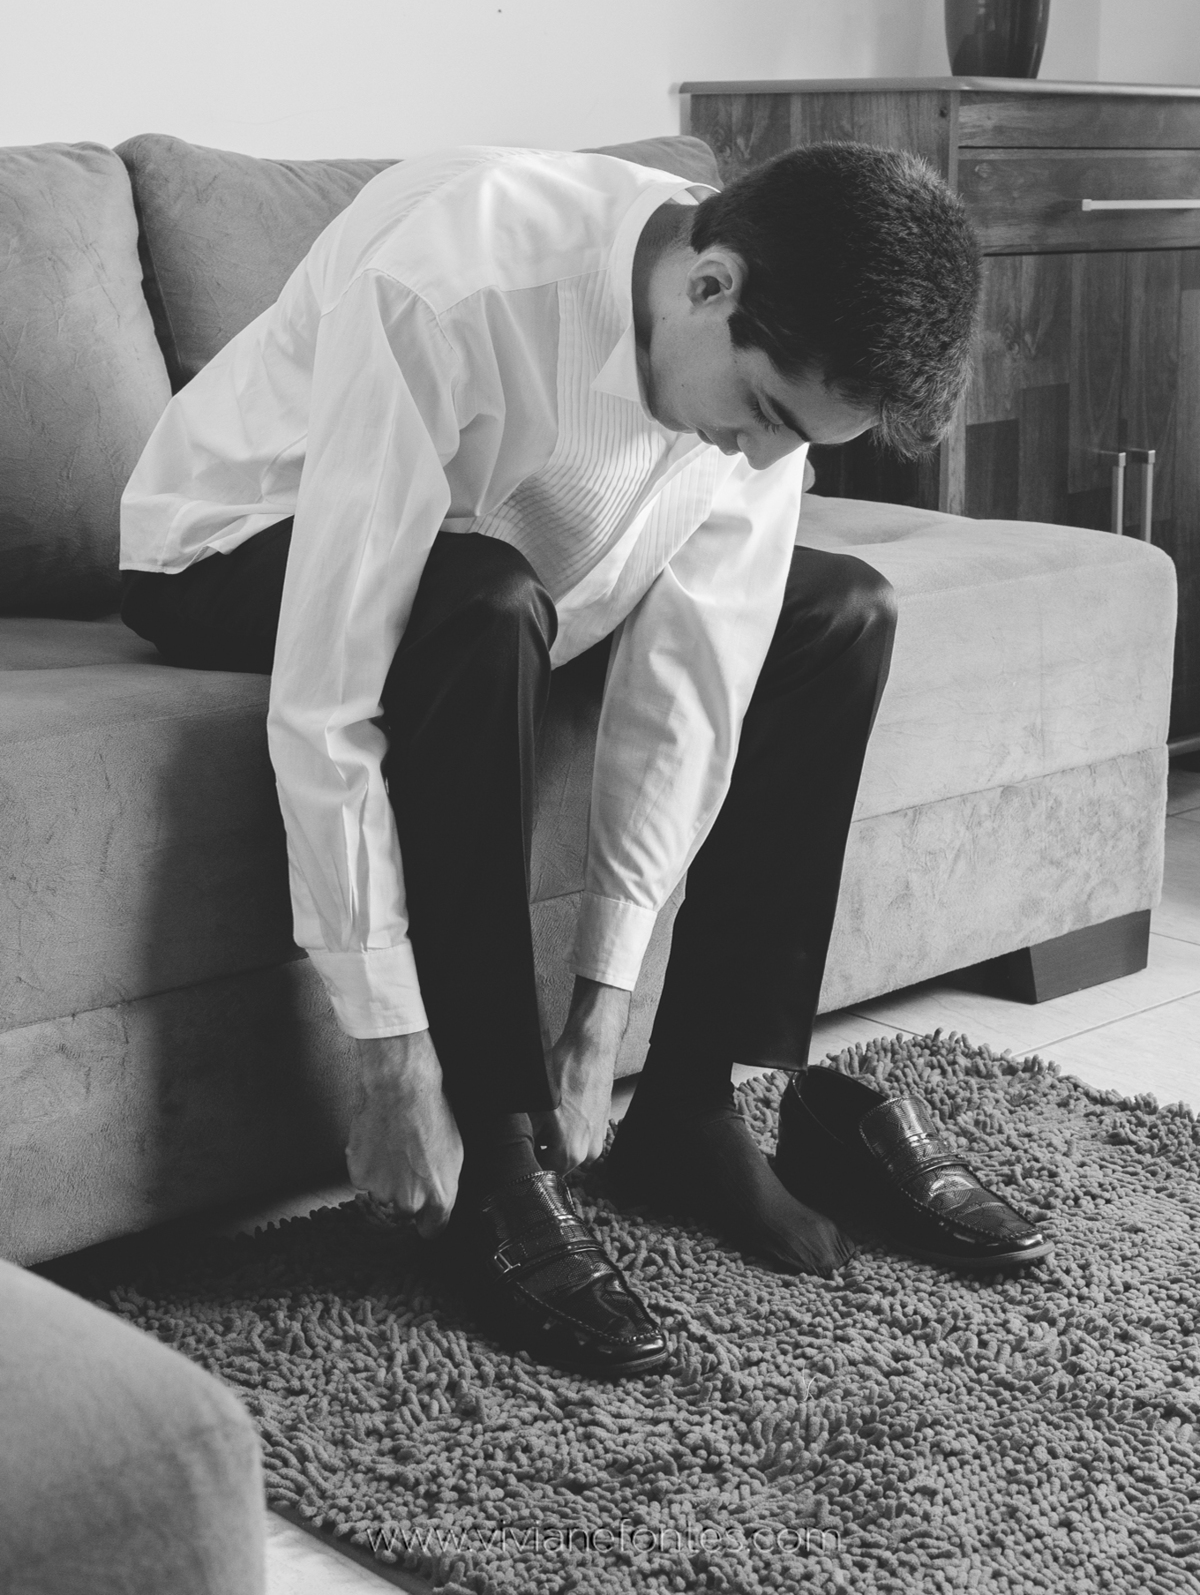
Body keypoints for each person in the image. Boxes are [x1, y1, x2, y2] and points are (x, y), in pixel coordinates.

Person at [119, 140, 981, 1379]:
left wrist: (602, 1008)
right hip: (233, 539)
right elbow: (327, 693)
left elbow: (698, 673)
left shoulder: (758, 377)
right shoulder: (451, 280)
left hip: (523, 561)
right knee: (482, 600)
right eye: (765, 414)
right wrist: (387, 1048)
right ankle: (497, 1157)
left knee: (842, 612)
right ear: (709, 285)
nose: (759, 458)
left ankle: (687, 1109)